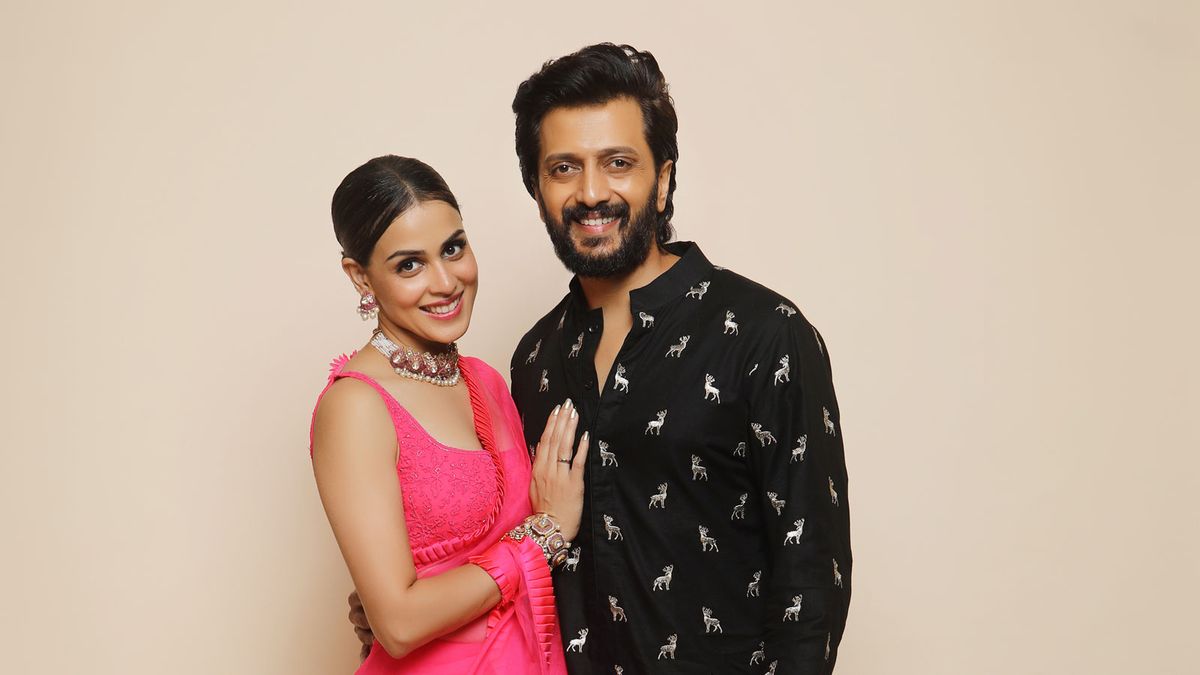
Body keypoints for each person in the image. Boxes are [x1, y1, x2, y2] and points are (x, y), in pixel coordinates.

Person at [354, 43, 852, 673]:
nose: (591, 193)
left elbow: (812, 584)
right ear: (537, 189)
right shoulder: (535, 359)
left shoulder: (764, 336)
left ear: (662, 179)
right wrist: (402, 597)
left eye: (618, 163)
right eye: (564, 168)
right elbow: (520, 536)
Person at [311, 155, 590, 674]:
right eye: (409, 265)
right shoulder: (356, 408)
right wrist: (544, 533)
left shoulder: (486, 381)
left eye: (453, 248)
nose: (445, 282)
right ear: (360, 277)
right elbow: (399, 625)